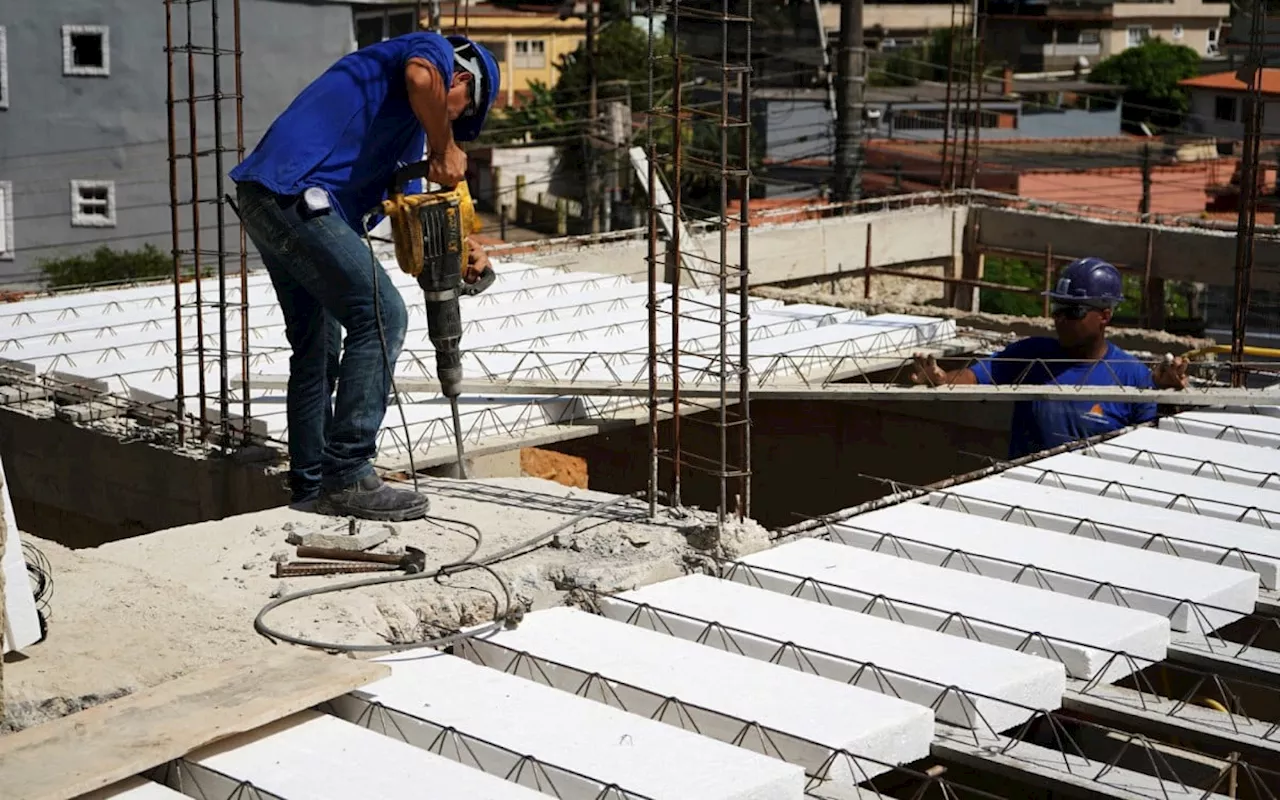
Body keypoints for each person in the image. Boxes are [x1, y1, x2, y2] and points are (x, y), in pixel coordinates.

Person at [229, 32, 501, 521]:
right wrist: (445, 145)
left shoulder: (405, 140)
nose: (454, 120)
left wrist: (463, 250)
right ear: (460, 79)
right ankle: (349, 473)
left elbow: (417, 223)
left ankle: (311, 486)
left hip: (271, 199)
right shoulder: (430, 52)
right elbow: (422, 78)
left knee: (317, 346)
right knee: (380, 314)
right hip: (294, 194)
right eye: (460, 111)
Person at [910, 257, 1189, 459]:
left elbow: (1150, 452)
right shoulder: (1031, 355)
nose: (1060, 319)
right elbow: (974, 377)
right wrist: (942, 379)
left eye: (1073, 311)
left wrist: (1171, 400)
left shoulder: (1133, 376)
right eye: (1057, 308)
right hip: (1023, 496)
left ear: (1104, 316)